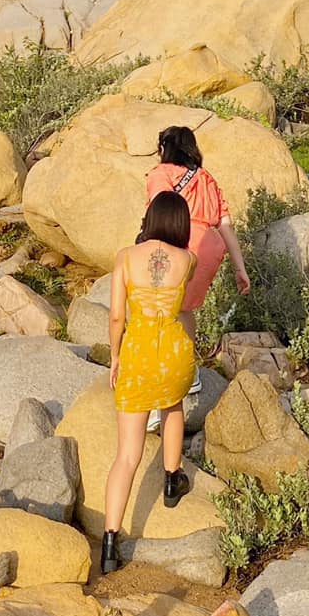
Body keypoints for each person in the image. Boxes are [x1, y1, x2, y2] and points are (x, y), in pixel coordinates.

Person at [101, 190, 197, 576]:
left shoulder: (125, 257)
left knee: (127, 454)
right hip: (173, 352)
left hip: (137, 354)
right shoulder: (187, 260)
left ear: (151, 218)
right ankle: (173, 480)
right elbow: (183, 307)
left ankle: (110, 543)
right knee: (173, 404)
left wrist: (114, 356)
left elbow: (116, 317)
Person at [145, 124, 252, 370]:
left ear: (164, 148)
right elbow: (225, 225)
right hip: (210, 246)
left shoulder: (161, 173)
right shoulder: (206, 178)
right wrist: (240, 268)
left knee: (160, 305)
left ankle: (161, 366)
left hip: (178, 239)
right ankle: (187, 367)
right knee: (185, 309)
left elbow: (161, 209)